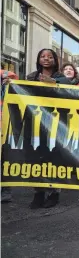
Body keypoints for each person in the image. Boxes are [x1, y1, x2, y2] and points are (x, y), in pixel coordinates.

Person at [27, 49, 71, 209]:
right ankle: (38, 193)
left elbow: (68, 91)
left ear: (55, 60)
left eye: (50, 57)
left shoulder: (62, 79)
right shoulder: (31, 77)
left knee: (53, 157)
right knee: (36, 156)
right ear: (38, 59)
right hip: (36, 120)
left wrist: (54, 83)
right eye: (43, 56)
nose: (46, 59)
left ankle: (54, 193)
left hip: (54, 121)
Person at [1, 69, 18, 203]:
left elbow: (16, 82)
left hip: (3, 124)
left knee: (3, 159)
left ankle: (5, 191)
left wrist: (8, 81)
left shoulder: (5, 74)